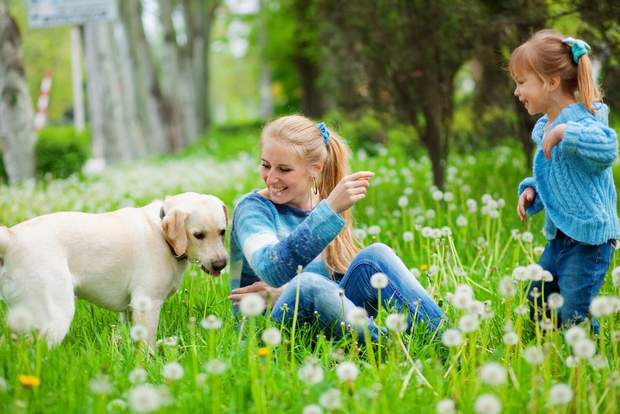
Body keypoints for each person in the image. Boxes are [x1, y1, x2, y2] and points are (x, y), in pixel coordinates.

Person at [228, 115, 444, 339]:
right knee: (307, 285)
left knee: (375, 255)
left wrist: (283, 292)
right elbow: (271, 269)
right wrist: (329, 211)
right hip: (271, 332)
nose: (271, 177)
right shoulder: (253, 209)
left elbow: (333, 287)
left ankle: (445, 341)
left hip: (330, 321)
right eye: (266, 165)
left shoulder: (322, 206)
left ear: (314, 169)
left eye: (284, 169)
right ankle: (390, 348)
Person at [511, 30, 619, 333]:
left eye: (522, 82)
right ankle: (549, 356)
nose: (517, 92)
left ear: (551, 82)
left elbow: (607, 148)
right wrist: (532, 190)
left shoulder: (587, 117)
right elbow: (558, 178)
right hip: (560, 237)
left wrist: (567, 134)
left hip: (590, 240)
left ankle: (590, 356)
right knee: (537, 300)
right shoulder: (546, 126)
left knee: (574, 311)